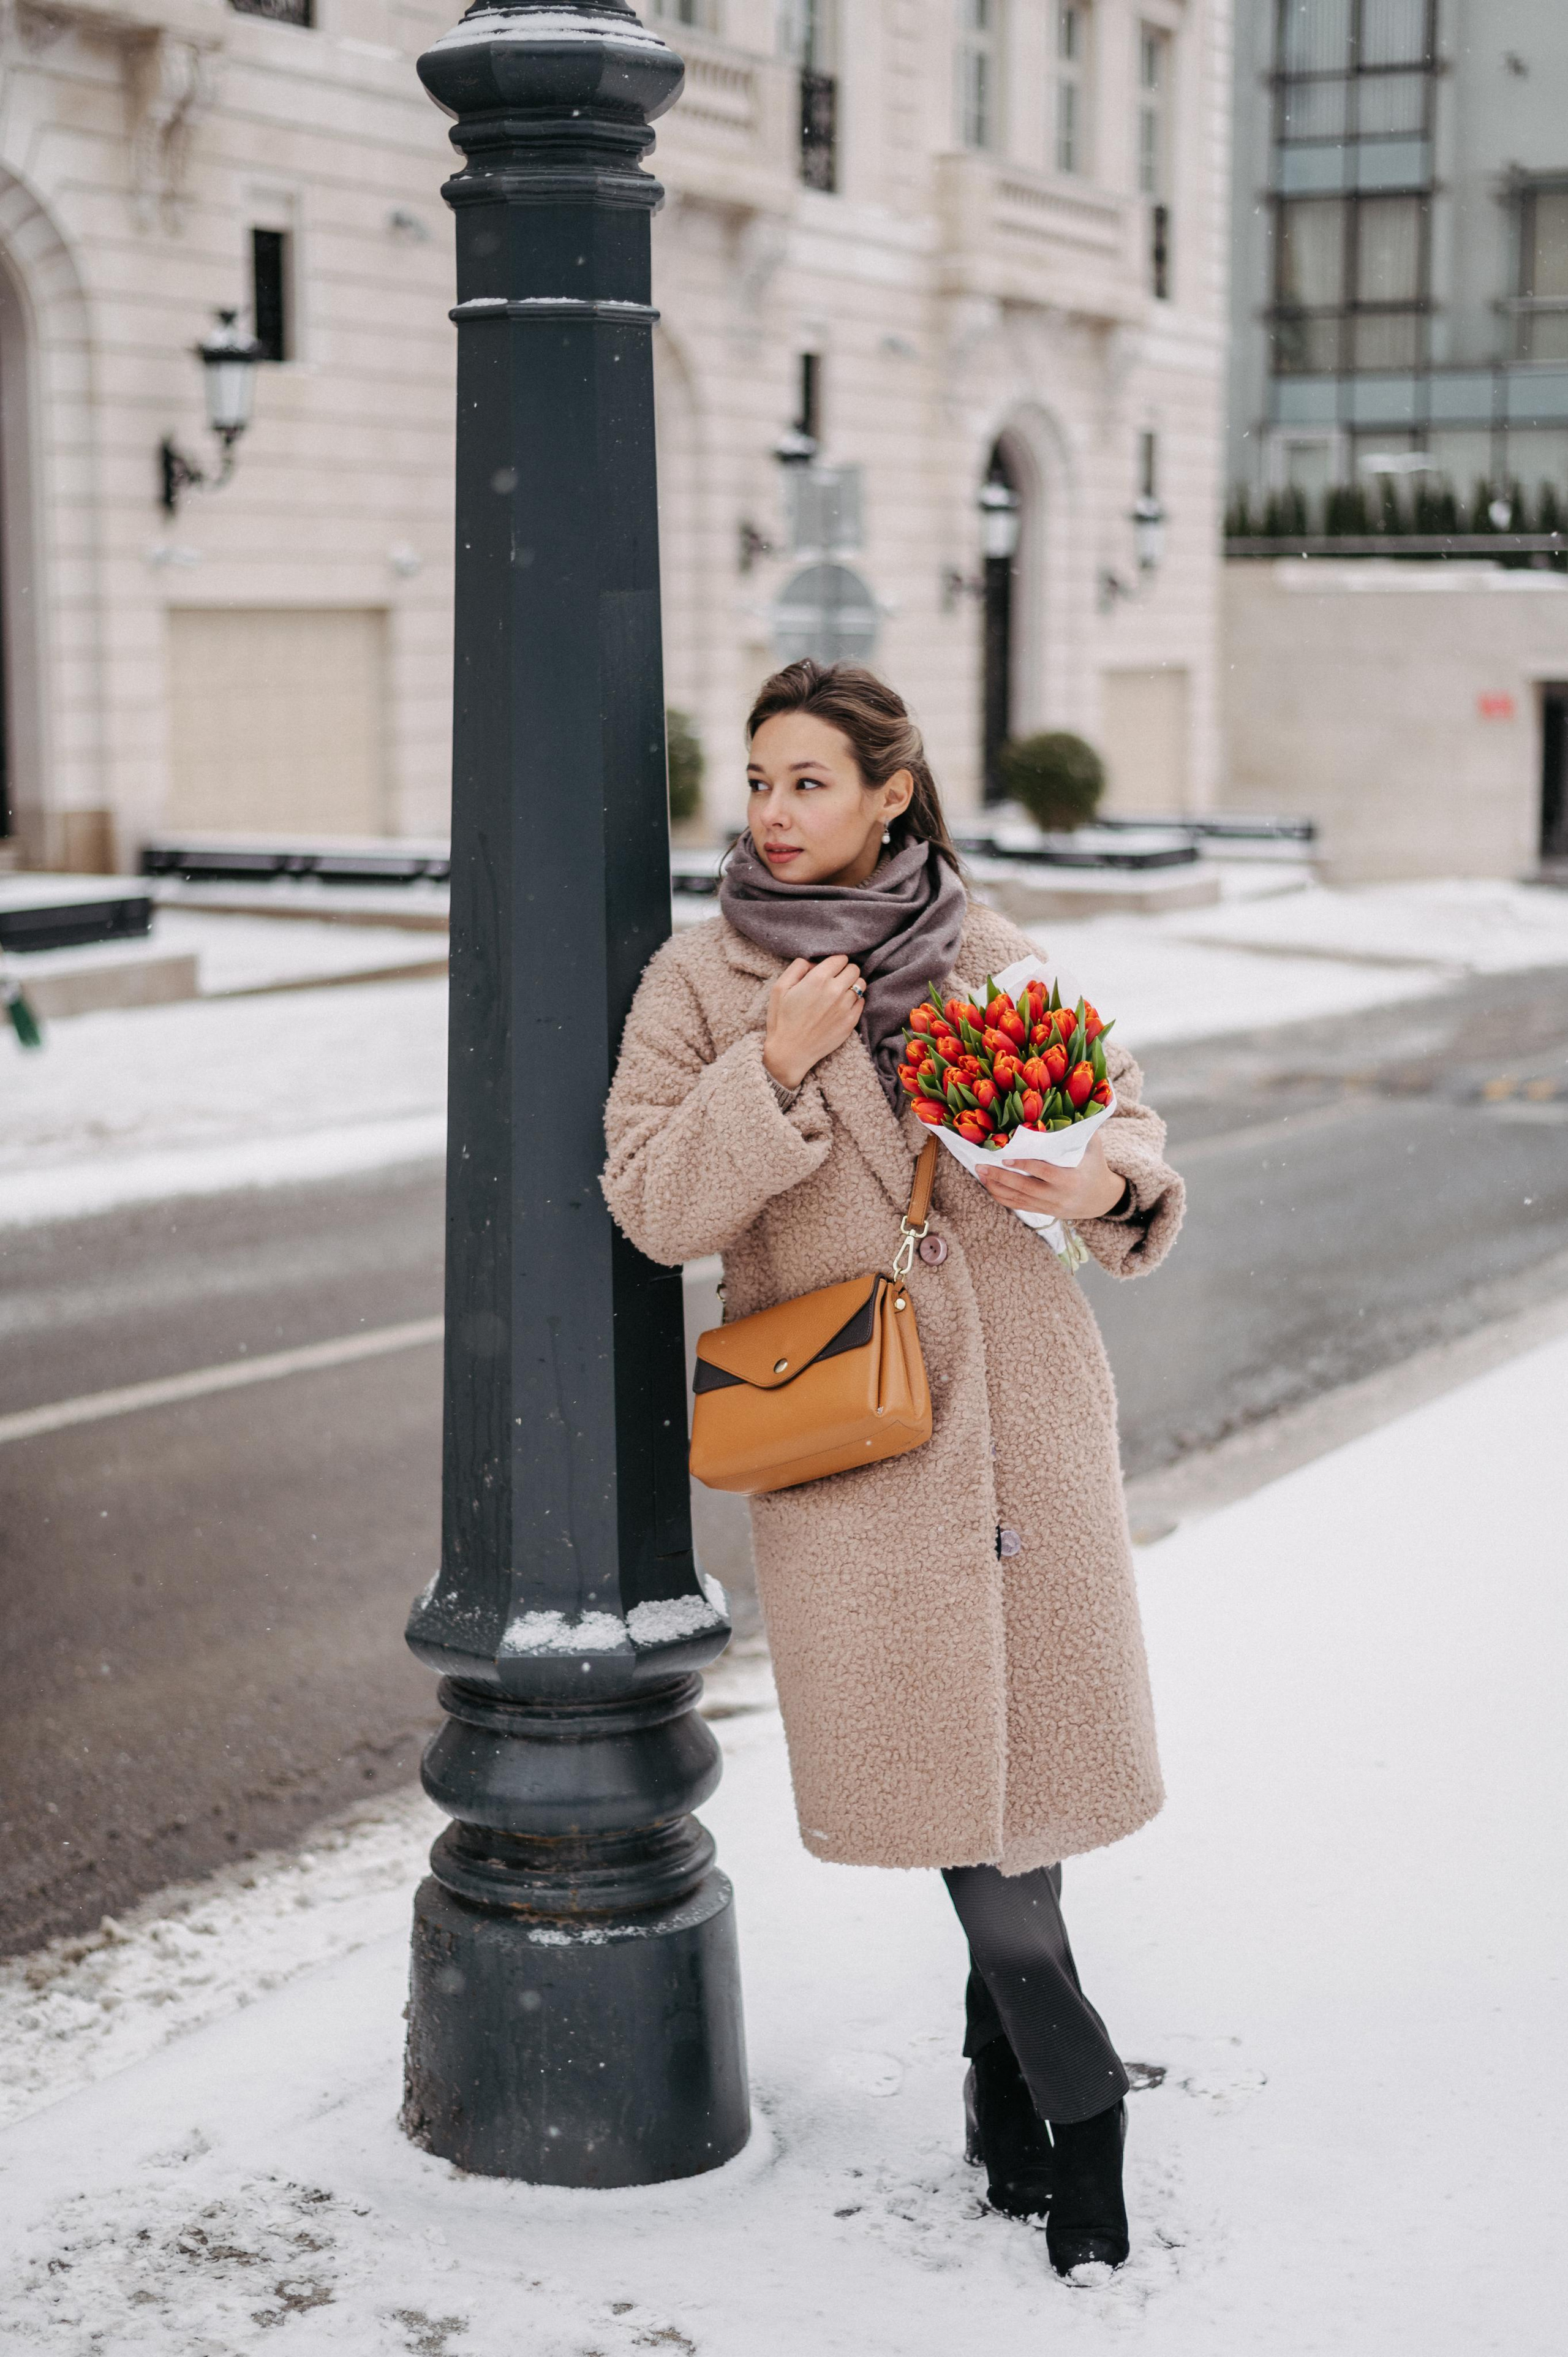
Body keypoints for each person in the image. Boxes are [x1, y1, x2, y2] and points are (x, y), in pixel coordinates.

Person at [601, 660, 1184, 2279]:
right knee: (959, 1777)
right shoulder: (705, 980)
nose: (775, 815)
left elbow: (1128, 1133)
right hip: (854, 1433)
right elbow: (649, 1201)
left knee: (1022, 1776)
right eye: (761, 782)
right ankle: (1079, 2108)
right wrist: (774, 1068)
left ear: (891, 797)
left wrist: (1096, 1177)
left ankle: (1018, 2094)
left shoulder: (985, 953)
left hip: (1023, 1418)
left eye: (809, 783)